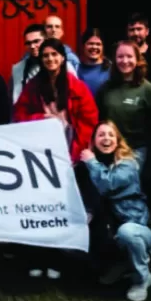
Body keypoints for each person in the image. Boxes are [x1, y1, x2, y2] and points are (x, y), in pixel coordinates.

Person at [14, 38, 98, 279]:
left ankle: (56, 261)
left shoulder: (76, 86)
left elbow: (89, 119)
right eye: (46, 56)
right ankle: (36, 257)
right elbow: (20, 114)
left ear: (62, 57)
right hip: (39, 158)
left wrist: (75, 152)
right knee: (38, 210)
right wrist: (42, 119)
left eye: (54, 55)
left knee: (58, 211)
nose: (50, 59)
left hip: (66, 157)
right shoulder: (33, 86)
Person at [80, 122, 151, 301]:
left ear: (118, 140)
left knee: (127, 233)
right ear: (93, 141)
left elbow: (108, 183)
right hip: (110, 230)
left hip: (137, 228)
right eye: (101, 135)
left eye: (110, 135)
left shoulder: (128, 163)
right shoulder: (90, 166)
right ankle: (121, 266)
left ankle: (142, 279)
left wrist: (91, 161)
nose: (106, 138)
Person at [9, 23, 45, 102]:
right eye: (28, 43)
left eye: (36, 41)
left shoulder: (63, 66)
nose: (32, 46)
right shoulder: (18, 69)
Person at [76, 28, 112, 98]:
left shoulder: (111, 69)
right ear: (83, 46)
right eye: (90, 43)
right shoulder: (76, 69)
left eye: (98, 44)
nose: (94, 47)